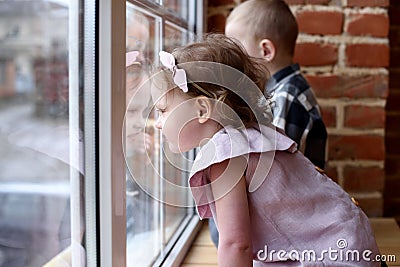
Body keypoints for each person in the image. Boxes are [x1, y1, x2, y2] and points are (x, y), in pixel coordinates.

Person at [151, 33, 381, 266]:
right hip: (351, 241)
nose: (158, 122)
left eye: (162, 110)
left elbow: (235, 244)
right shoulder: (256, 134)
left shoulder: (224, 155)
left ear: (202, 110)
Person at [225, 0, 327, 170]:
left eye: (237, 50)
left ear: (266, 51)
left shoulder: (286, 96)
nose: (233, 58)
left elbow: (274, 166)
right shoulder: (278, 90)